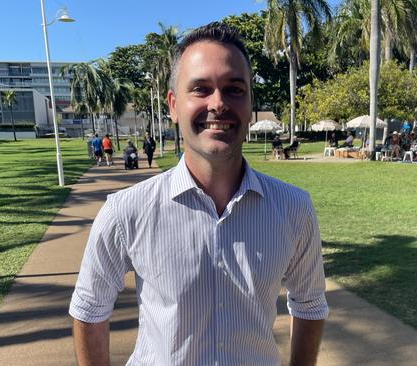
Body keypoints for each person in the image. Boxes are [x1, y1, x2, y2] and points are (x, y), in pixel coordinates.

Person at [70, 22, 327, 366]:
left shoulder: (294, 208)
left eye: (235, 89)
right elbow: (89, 310)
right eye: (201, 89)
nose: (218, 103)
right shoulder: (126, 211)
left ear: (250, 103)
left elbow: (309, 304)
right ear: (174, 105)